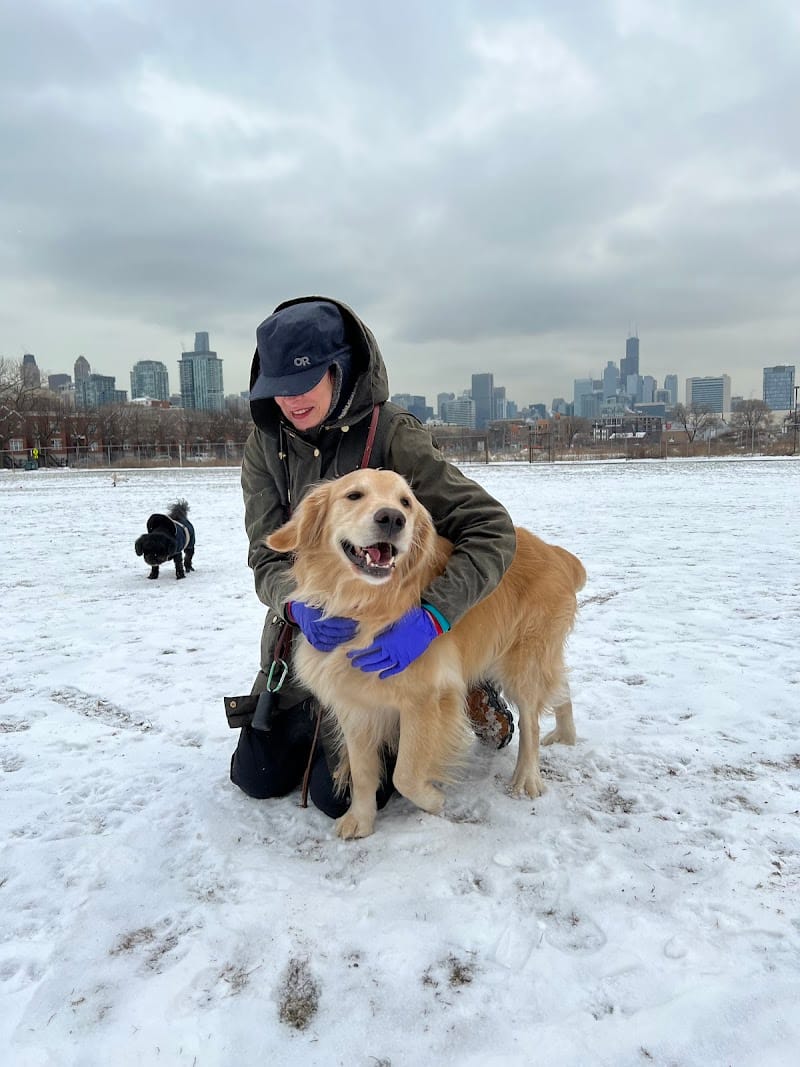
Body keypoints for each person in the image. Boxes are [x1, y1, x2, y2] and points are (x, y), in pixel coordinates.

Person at [230, 296, 517, 818]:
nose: (290, 401)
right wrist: (293, 607)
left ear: (338, 371)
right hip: (315, 635)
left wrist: (434, 617)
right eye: (277, 388)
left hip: (395, 640)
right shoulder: (263, 445)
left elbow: (491, 530)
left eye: (305, 382)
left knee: (334, 797)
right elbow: (265, 553)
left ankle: (461, 684)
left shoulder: (393, 432)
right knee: (257, 776)